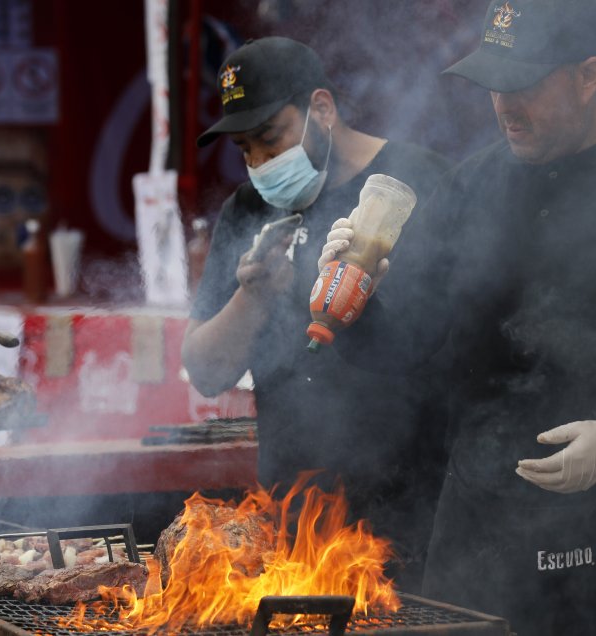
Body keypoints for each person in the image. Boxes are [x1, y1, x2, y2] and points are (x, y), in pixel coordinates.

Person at [317, 0, 596, 633]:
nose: (503, 105)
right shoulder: (468, 190)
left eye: (523, 84)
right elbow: (411, 350)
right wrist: (359, 306)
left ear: (589, 75)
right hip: (480, 545)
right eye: (493, 85)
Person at [181, 36, 452, 590]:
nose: (260, 163)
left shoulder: (416, 183)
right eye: (245, 150)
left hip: (408, 518)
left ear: (321, 110)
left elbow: (448, 342)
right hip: (293, 521)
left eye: (270, 139)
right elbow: (206, 371)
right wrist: (253, 296)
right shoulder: (248, 210)